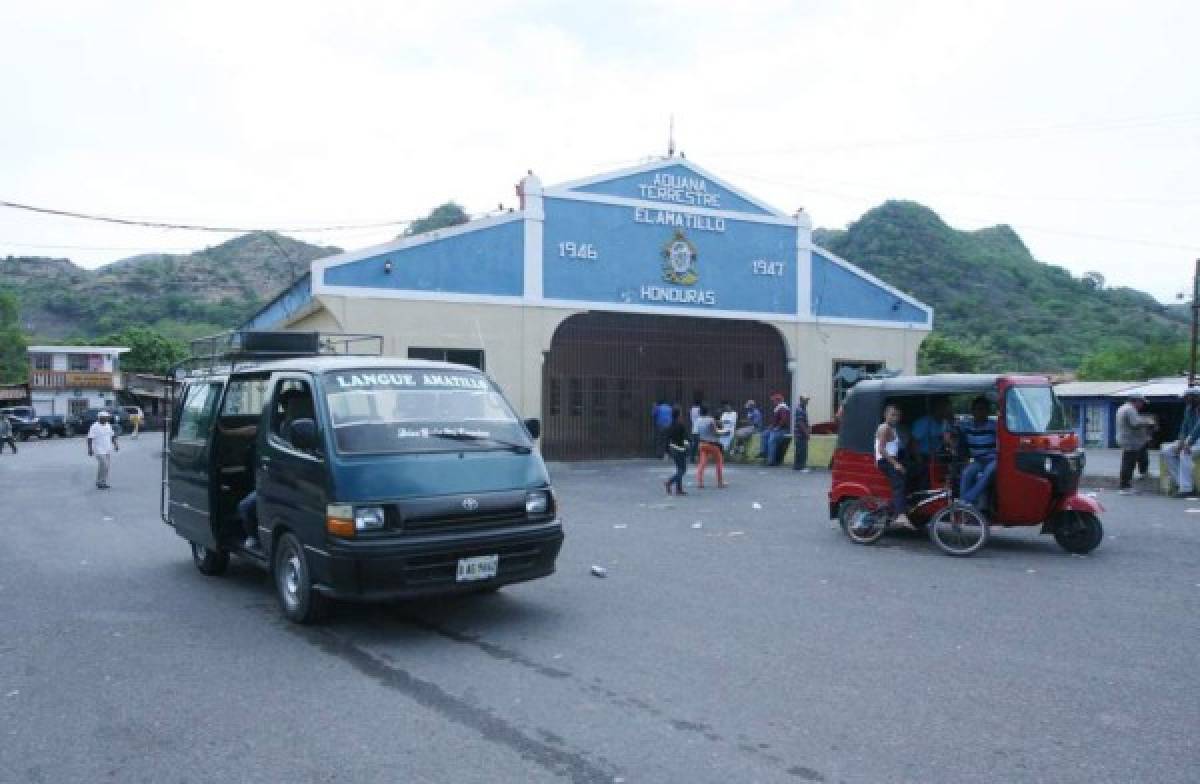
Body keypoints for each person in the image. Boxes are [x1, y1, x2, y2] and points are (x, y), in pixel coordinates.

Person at [854, 404, 911, 531]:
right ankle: (900, 516)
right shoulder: (885, 428)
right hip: (886, 461)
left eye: (898, 415)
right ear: (885, 415)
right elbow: (881, 449)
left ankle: (898, 509)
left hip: (889, 459)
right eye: (893, 415)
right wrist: (895, 464)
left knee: (905, 479)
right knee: (898, 485)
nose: (895, 418)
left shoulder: (892, 428)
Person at [957, 396, 997, 508]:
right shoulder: (966, 425)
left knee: (986, 473)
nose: (980, 412)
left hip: (993, 459)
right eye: (978, 409)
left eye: (983, 409)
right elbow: (953, 432)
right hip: (978, 460)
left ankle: (966, 500)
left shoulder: (994, 425)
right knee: (966, 473)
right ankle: (963, 510)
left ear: (988, 411)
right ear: (973, 411)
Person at [909, 396, 954, 491]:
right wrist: (920, 461)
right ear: (938, 408)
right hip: (923, 456)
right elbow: (913, 444)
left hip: (939, 456)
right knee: (925, 476)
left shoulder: (945, 423)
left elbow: (949, 442)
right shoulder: (923, 423)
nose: (949, 410)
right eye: (946, 407)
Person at [1162, 387, 1200, 499]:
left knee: (1185, 454)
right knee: (1167, 451)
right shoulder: (1189, 408)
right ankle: (1182, 483)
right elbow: (1184, 426)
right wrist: (1181, 440)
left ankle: (1187, 489)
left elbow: (1198, 428)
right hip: (1192, 438)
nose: (1186, 400)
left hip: (1197, 438)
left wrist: (1188, 443)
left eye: (1188, 398)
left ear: (1196, 397)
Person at [1115, 394, 1156, 494]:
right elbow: (1135, 423)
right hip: (1130, 440)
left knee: (1141, 454)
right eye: (1141, 402)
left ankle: (1143, 472)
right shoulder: (1130, 409)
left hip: (1133, 440)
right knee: (1129, 463)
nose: (1142, 405)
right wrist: (1148, 422)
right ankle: (1124, 486)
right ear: (1136, 401)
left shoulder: (1123, 408)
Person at [694, 406, 729, 489]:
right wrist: (725, 432)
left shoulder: (698, 420)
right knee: (719, 462)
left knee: (702, 463)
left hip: (702, 443)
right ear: (708, 411)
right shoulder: (710, 420)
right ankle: (720, 482)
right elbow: (716, 432)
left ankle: (700, 482)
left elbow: (696, 433)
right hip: (712, 444)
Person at [87, 410, 119, 489]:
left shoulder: (108, 425)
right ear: (100, 418)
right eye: (105, 418)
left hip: (107, 449)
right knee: (104, 464)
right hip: (98, 449)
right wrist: (90, 449)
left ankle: (102, 482)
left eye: (107, 418)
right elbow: (90, 438)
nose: (106, 419)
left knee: (105, 466)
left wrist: (115, 444)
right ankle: (100, 482)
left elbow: (112, 436)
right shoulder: (94, 426)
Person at [663, 407, 690, 496]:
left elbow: (667, 439)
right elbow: (685, 438)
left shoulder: (670, 425)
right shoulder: (681, 425)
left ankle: (679, 489)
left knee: (679, 469)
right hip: (680, 449)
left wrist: (667, 451)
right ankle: (669, 482)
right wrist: (687, 448)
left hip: (673, 449)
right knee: (683, 470)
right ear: (679, 415)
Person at [763, 393, 791, 466]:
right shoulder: (778, 408)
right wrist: (771, 427)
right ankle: (764, 453)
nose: (773, 402)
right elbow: (775, 421)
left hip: (783, 430)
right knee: (765, 434)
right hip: (778, 428)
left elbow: (783, 420)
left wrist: (777, 428)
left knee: (772, 440)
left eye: (774, 401)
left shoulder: (782, 408)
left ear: (778, 401)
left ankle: (771, 461)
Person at [792, 395, 811, 471]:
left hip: (801, 433)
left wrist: (809, 427)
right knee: (801, 450)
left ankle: (799, 466)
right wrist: (806, 433)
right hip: (800, 434)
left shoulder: (803, 409)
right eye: (805, 400)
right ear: (801, 401)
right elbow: (800, 423)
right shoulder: (800, 410)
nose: (807, 402)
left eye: (807, 401)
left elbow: (804, 421)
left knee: (801, 450)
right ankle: (800, 466)